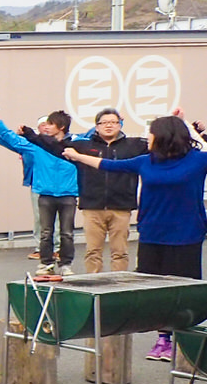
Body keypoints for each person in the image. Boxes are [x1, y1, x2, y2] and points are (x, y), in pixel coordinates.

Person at [65, 115, 207, 362]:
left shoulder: (198, 160)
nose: (147, 137)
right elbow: (107, 165)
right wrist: (77, 156)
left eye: (151, 133)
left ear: (163, 136)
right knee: (155, 287)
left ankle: (187, 339)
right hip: (152, 233)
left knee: (186, 289)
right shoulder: (146, 161)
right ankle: (163, 338)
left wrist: (201, 132)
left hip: (187, 234)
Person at [24, 108, 147, 272]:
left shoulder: (134, 145)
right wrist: (30, 135)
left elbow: (160, 146)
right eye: (104, 122)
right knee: (93, 252)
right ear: (96, 126)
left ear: (120, 125)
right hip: (92, 207)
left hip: (121, 207)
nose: (109, 126)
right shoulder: (83, 146)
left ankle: (119, 288)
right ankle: (95, 287)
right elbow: (54, 146)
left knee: (120, 253)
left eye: (113, 122)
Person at [0, 110, 79, 275]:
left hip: (68, 193)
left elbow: (96, 139)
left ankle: (65, 265)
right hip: (45, 193)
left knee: (67, 233)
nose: (45, 128)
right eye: (44, 125)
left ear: (61, 127)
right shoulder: (36, 145)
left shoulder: (76, 144)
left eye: (50, 124)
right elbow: (13, 141)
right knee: (46, 231)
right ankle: (46, 263)